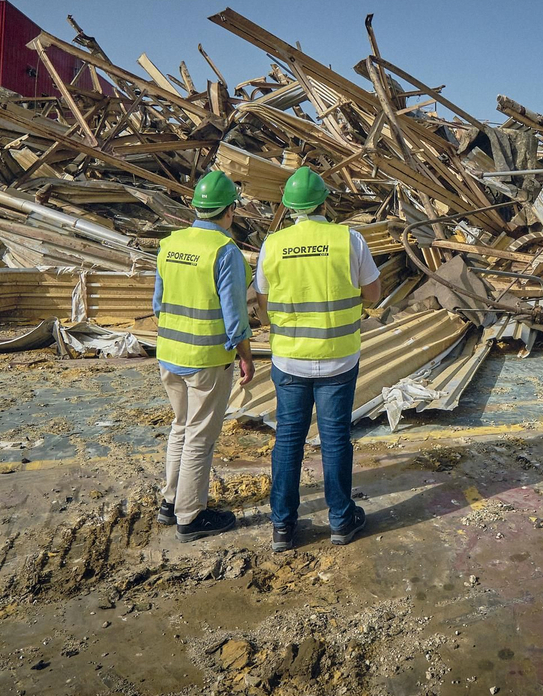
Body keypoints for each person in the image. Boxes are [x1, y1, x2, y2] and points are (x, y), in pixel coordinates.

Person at [255, 166, 382, 552]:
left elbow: (261, 303)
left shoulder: (273, 244)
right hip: (338, 358)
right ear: (325, 202)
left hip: (290, 359)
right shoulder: (349, 239)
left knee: (288, 440)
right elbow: (373, 294)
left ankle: (282, 526)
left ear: (290, 207)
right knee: (336, 439)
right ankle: (342, 521)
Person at [152, 170, 254, 543]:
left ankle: (171, 501)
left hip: (169, 354)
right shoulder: (225, 252)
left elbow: (158, 305)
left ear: (196, 207)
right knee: (200, 436)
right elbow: (235, 317)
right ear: (229, 212)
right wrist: (246, 356)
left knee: (181, 426)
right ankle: (190, 516)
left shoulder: (169, 244)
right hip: (207, 358)